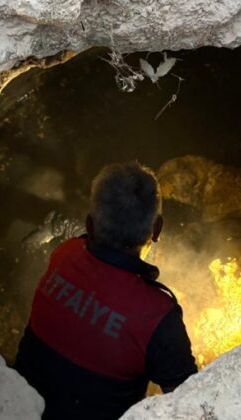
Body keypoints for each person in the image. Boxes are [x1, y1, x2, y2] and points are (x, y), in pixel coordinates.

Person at [14, 162, 197, 420]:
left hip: (18, 408)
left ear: (89, 224)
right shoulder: (157, 317)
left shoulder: (64, 255)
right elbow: (191, 402)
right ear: (157, 230)